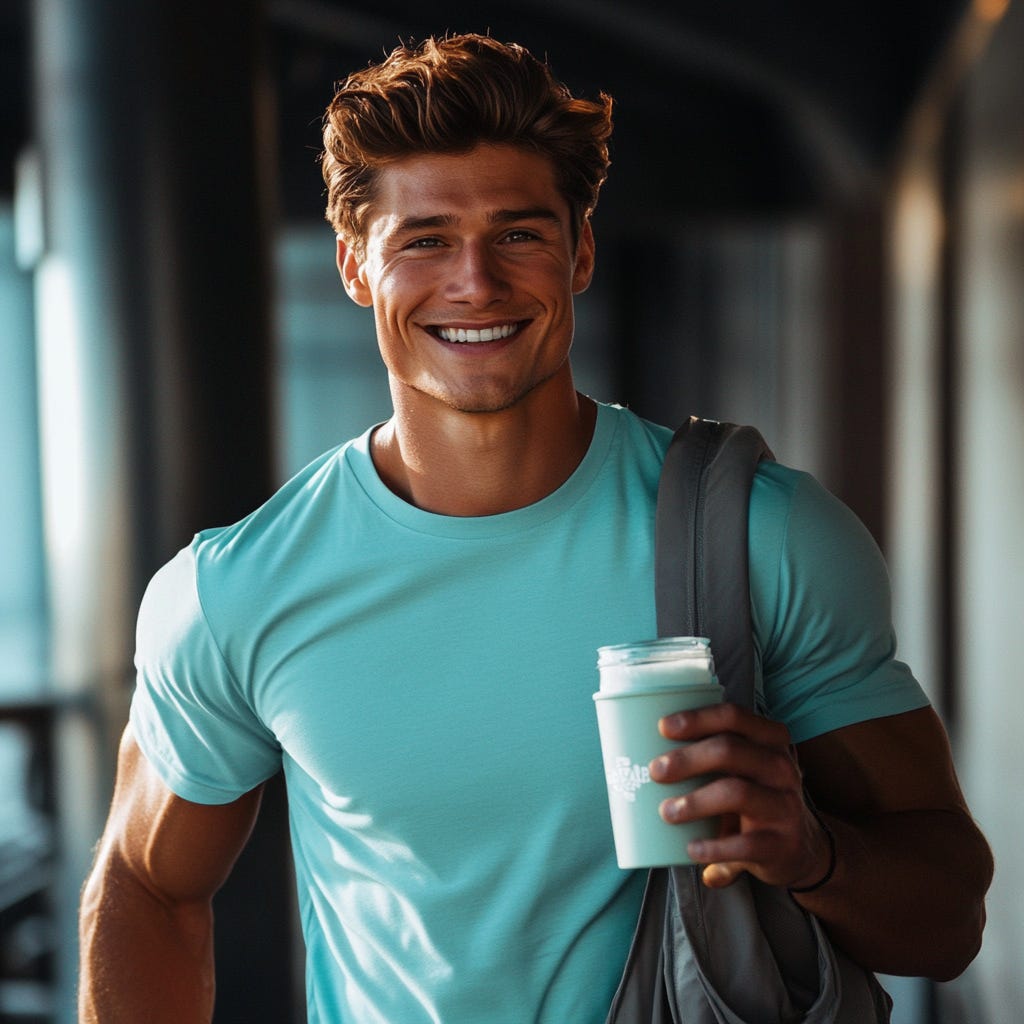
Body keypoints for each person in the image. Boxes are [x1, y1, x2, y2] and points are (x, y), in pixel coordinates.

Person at [78, 33, 993, 1023]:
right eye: (423, 239)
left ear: (579, 251)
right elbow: (146, 884)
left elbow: (947, 925)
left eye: (518, 233)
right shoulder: (238, 589)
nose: (475, 282)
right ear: (353, 267)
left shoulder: (761, 538)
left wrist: (814, 850)